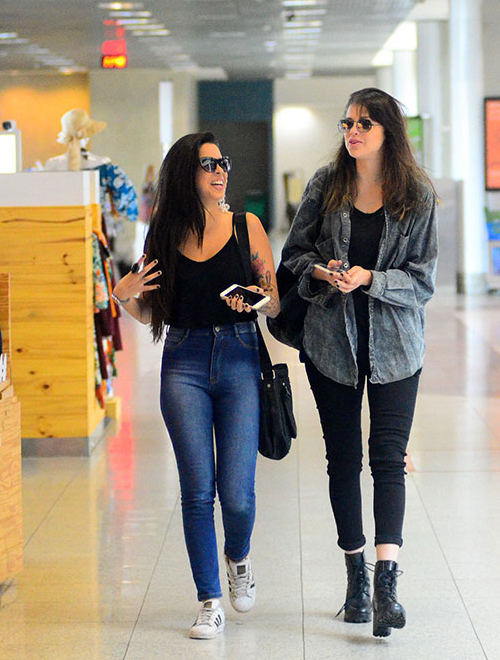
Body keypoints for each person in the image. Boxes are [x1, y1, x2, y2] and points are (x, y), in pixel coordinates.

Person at [280, 88, 438, 638]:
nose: (353, 131)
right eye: (347, 122)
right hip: (331, 344)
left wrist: (371, 278)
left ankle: (387, 584)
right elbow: (293, 255)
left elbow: (422, 279)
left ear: (388, 131)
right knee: (343, 460)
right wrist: (323, 272)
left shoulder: (416, 194)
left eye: (364, 123)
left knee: (388, 460)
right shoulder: (326, 184)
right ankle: (356, 580)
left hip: (397, 347)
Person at [111, 131, 280, 640]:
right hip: (182, 362)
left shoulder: (246, 227)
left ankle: (239, 556)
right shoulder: (163, 232)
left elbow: (273, 301)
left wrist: (256, 300)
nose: (220, 170)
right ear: (187, 173)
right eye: (208, 164)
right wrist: (124, 297)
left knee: (238, 495)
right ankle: (209, 598)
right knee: (196, 491)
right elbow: (151, 313)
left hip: (239, 358)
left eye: (223, 162)